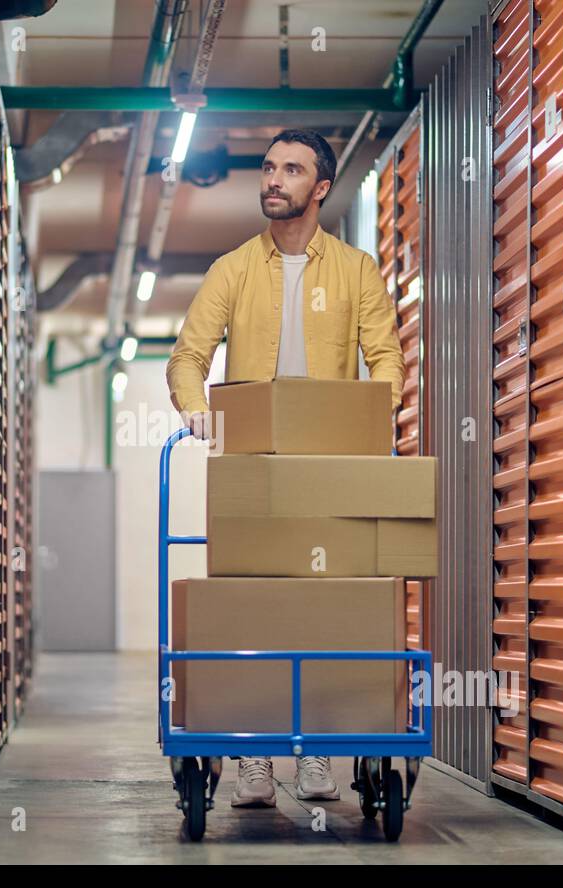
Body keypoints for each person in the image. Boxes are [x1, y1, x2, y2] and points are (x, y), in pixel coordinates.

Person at [165, 128, 405, 807]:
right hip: (249, 469)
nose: (273, 179)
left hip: (328, 469)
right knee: (250, 606)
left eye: (291, 170)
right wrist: (194, 409)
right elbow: (188, 355)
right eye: (268, 168)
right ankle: (253, 756)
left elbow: (385, 355)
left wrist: (372, 416)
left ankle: (319, 751)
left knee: (324, 608)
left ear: (321, 188)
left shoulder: (356, 271)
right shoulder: (233, 269)